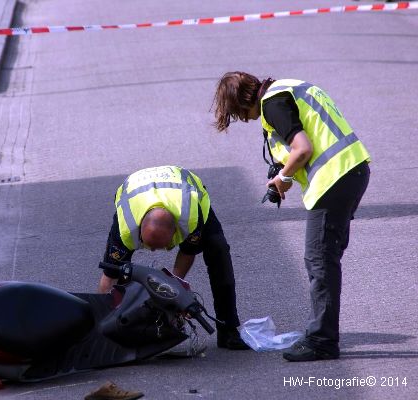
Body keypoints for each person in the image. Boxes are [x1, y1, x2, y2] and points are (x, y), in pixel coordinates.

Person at [211, 72, 370, 361]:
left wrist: (284, 176)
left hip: (333, 179)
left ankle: (322, 341)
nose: (244, 119)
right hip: (353, 170)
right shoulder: (292, 88)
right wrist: (285, 168)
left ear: (244, 99)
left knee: (319, 260)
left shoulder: (272, 102)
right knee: (324, 259)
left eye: (238, 113)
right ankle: (322, 334)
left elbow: (304, 148)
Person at [98, 165, 249, 350]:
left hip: (187, 190)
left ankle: (228, 330)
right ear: (139, 230)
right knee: (118, 269)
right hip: (135, 193)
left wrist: (173, 294)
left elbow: (187, 253)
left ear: (177, 232)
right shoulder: (125, 227)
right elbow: (109, 277)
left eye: (159, 247)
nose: (153, 252)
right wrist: (101, 330)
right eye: (148, 245)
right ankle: (116, 331)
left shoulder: (191, 217)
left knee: (218, 250)